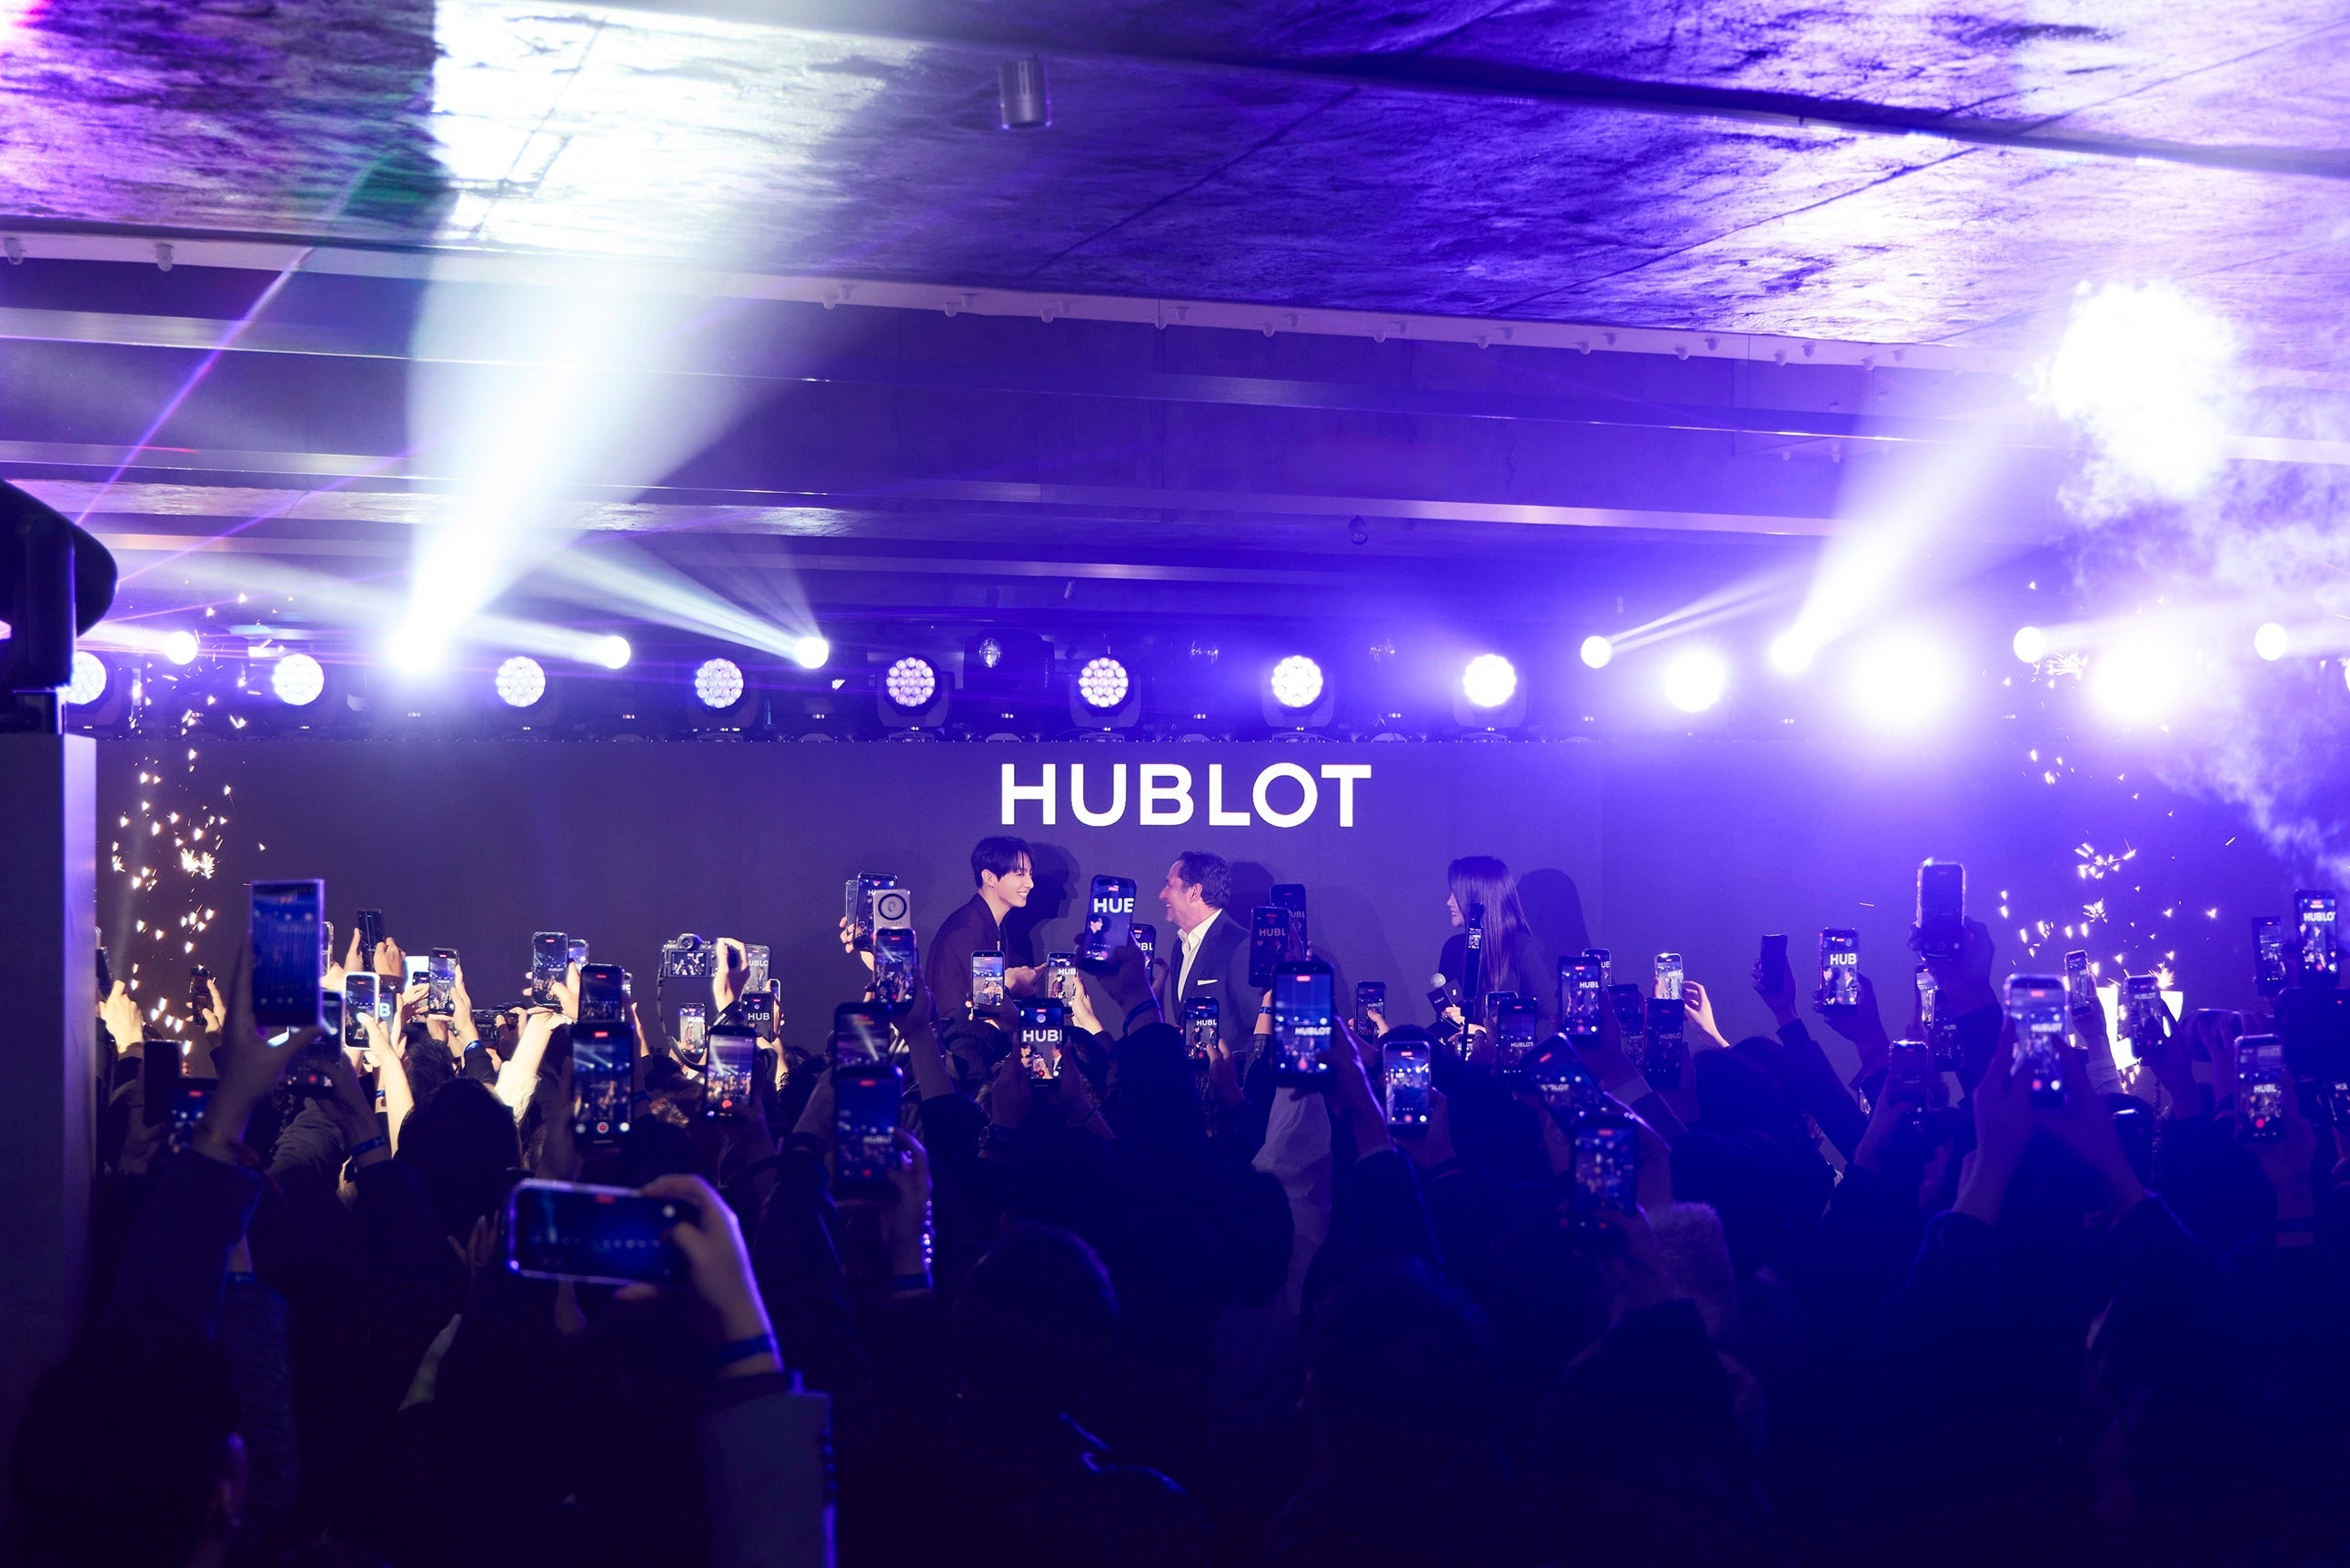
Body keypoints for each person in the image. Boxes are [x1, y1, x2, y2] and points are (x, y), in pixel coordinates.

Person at [1436, 855, 1555, 1034]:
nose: (1449, 902)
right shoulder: (1452, 949)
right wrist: (1449, 1020)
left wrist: (1489, 1033)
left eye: (1456, 894)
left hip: (1509, 1053)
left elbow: (1553, 1023)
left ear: (1477, 898)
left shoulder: (1524, 950)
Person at [927, 834, 1040, 1022]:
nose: (1030, 884)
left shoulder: (996, 926)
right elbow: (964, 1012)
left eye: (1030, 874)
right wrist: (1010, 983)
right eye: (1020, 874)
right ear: (989, 877)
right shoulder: (965, 932)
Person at [1157, 850, 1252, 1057]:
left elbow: (1257, 1028)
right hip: (1192, 1076)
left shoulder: (1239, 946)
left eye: (1169, 885)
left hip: (1231, 1075)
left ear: (1194, 892)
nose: (1162, 895)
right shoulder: (1179, 948)